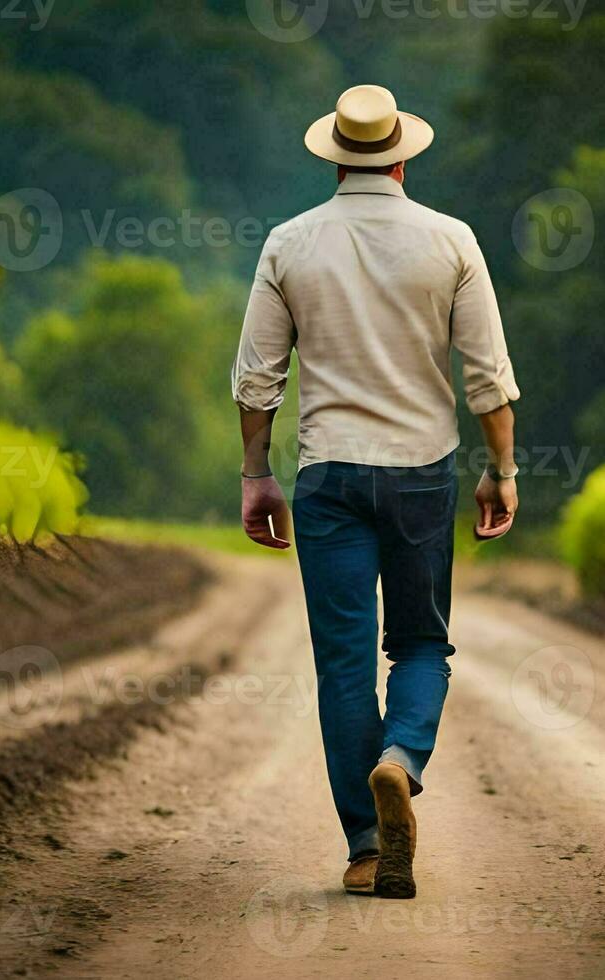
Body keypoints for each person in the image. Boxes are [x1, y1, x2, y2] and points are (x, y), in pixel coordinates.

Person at [231, 84, 520, 899]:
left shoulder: (289, 244)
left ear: (333, 157)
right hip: (422, 474)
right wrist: (502, 472)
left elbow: (258, 384)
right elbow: (488, 382)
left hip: (328, 478)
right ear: (402, 154)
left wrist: (257, 478)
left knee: (345, 666)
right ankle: (400, 761)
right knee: (422, 646)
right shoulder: (452, 241)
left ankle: (365, 846)